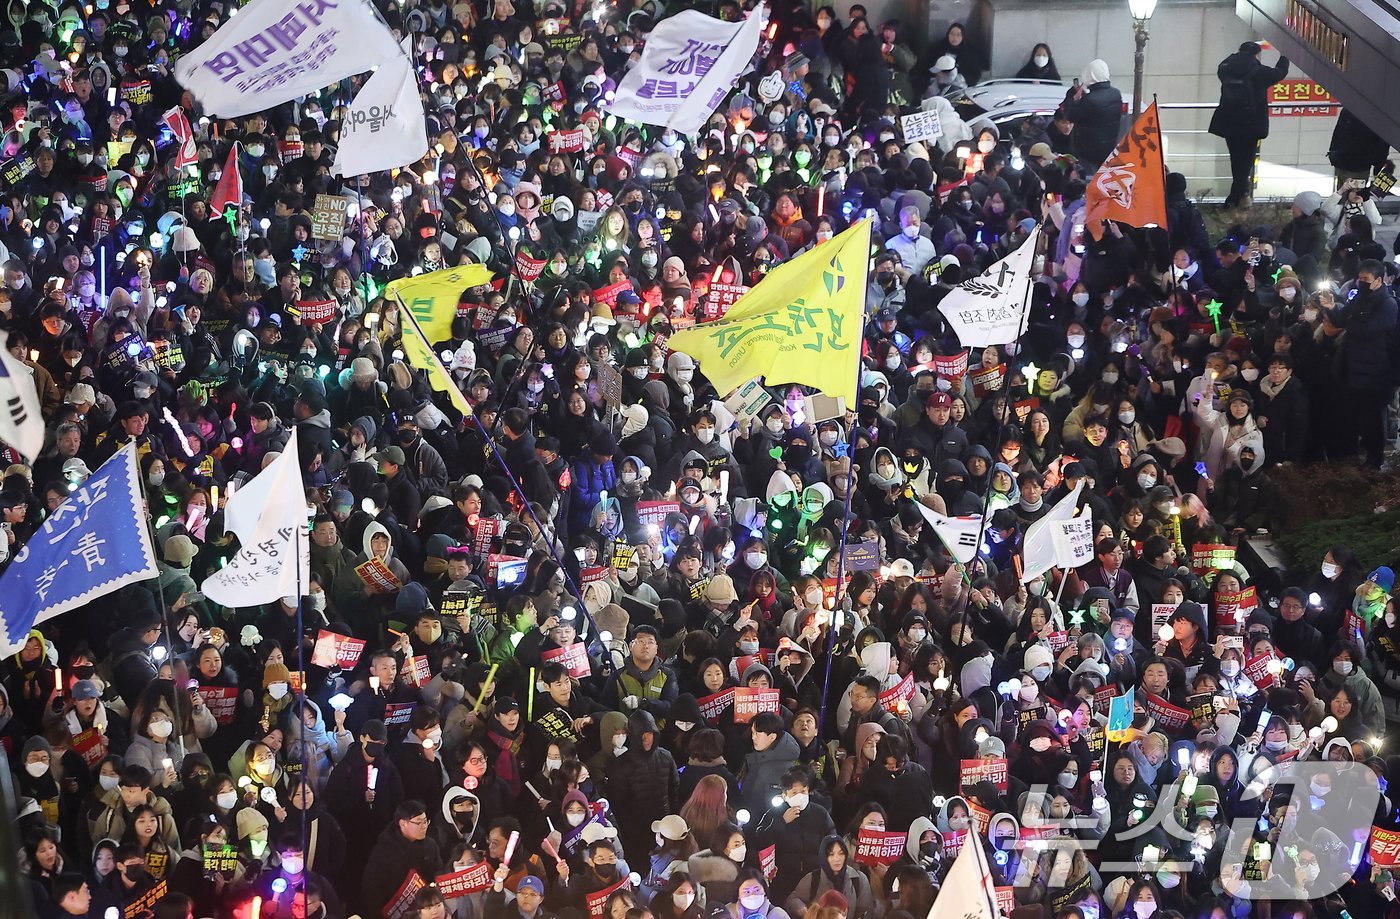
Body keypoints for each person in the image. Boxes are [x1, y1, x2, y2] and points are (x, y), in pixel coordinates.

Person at [1209, 41, 1291, 208]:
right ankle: (1237, 198)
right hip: (1250, 124)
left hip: (1229, 122)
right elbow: (1280, 73)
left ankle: (1238, 195)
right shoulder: (1259, 72)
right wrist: (1285, 55)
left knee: (1236, 159)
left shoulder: (1225, 68)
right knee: (1245, 162)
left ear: (1239, 51)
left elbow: (1224, 63)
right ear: (1256, 55)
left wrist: (1236, 55)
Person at [1061, 60, 1124, 172]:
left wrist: (1071, 97)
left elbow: (1070, 115)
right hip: (1108, 150)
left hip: (1089, 153)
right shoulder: (1116, 94)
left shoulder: (1090, 100)